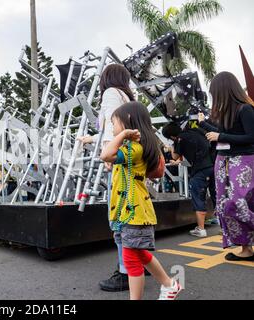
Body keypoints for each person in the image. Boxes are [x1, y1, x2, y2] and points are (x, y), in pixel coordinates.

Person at [101, 102, 183, 300]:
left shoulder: (135, 147)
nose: (112, 128)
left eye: (114, 123)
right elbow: (109, 158)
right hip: (127, 211)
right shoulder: (133, 148)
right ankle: (169, 284)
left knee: (130, 259)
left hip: (133, 211)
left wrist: (121, 136)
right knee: (138, 254)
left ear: (128, 122)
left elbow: (105, 154)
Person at [78, 64, 136, 292]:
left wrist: (107, 155)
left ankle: (125, 271)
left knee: (119, 218)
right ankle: (139, 262)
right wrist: (92, 139)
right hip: (132, 158)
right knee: (133, 213)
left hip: (119, 160)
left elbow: (114, 127)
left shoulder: (111, 94)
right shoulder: (127, 95)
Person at [198, 71, 254, 261]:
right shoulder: (226, 113)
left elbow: (251, 137)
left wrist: (221, 137)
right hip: (223, 161)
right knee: (224, 204)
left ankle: (248, 247)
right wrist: (204, 125)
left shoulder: (245, 109)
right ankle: (246, 249)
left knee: (241, 202)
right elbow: (222, 135)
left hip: (243, 160)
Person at [162, 122, 217, 238]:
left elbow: (175, 157)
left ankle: (201, 229)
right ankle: (224, 226)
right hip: (213, 166)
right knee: (216, 195)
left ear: (171, 136)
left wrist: (173, 145)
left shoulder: (179, 139)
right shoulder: (195, 131)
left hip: (199, 170)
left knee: (198, 197)